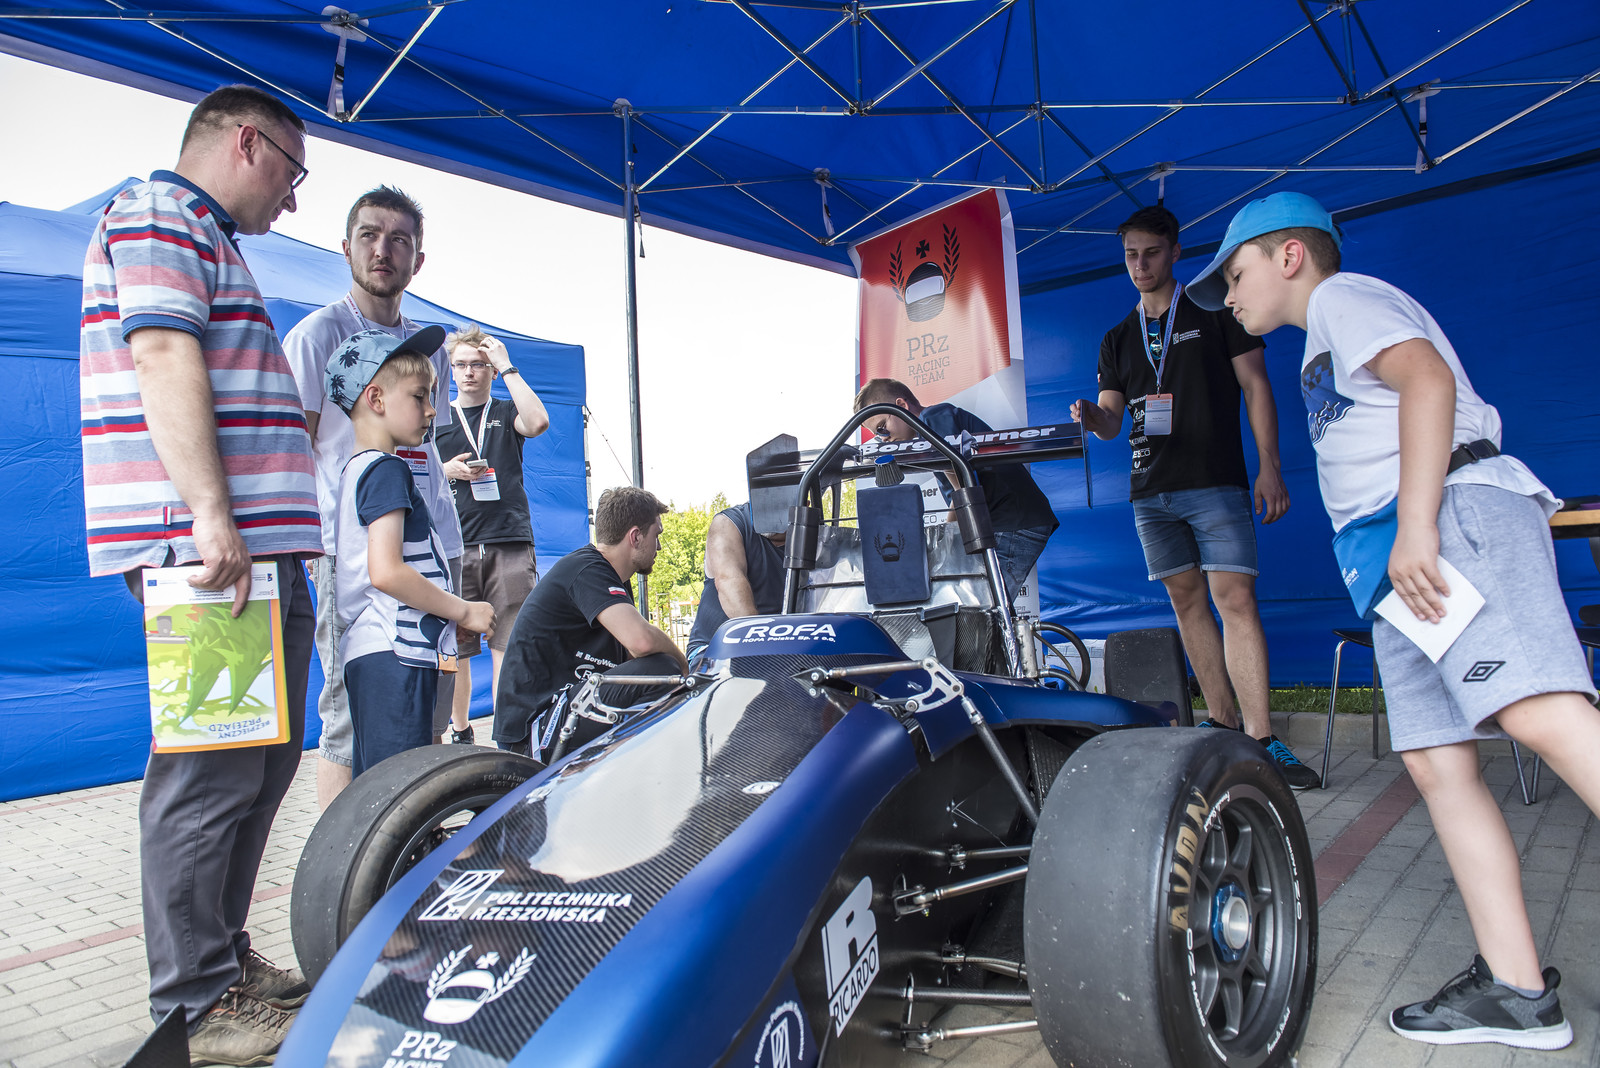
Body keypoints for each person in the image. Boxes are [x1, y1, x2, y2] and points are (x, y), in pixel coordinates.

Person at [1189, 189, 1600, 1049]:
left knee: (1543, 714)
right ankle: (1518, 991)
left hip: (1448, 519)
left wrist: (1418, 526)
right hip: (1392, 564)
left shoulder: (1343, 297)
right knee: (1436, 763)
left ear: (1289, 256)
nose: (1228, 296)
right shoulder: (1317, 345)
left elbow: (1427, 379)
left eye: (1235, 273)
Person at [79, 85, 318, 1063]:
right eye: (293, 174)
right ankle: (196, 999)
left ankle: (220, 960)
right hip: (210, 551)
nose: (293, 200)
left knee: (258, 765)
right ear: (247, 142)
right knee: (211, 773)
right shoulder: (159, 212)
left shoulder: (207, 235)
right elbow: (163, 355)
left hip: (254, 552)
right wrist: (212, 515)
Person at [1072, 205, 1318, 789]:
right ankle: (1223, 722)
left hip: (1215, 481)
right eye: (1131, 255)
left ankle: (1261, 738)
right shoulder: (1117, 338)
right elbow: (1112, 420)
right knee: (1187, 605)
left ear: (1175, 251)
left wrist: (1270, 467)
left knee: (1235, 600)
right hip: (1149, 491)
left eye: (1151, 253)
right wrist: (1090, 416)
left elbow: (1256, 386)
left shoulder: (1217, 311)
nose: (1140, 265)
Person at [282, 186, 464, 809]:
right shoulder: (318, 336)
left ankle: (411, 842)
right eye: (369, 235)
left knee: (426, 706)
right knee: (348, 717)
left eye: (399, 240)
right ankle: (341, 861)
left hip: (435, 543)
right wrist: (310, 546)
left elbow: (428, 448)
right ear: (346, 247)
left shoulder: (426, 343)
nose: (383, 250)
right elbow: (293, 450)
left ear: (418, 259)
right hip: (359, 554)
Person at [326, 328, 495, 777]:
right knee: (399, 790)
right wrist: (463, 610)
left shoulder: (359, 469)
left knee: (383, 787)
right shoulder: (386, 470)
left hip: (381, 654)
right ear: (376, 399)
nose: (432, 409)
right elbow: (386, 572)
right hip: (394, 652)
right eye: (419, 396)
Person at [494, 487, 689, 759]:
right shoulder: (587, 569)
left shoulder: (613, 578)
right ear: (635, 536)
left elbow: (632, 657)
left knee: (655, 673)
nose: (658, 547)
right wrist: (686, 671)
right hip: (535, 729)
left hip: (561, 711)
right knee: (664, 670)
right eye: (657, 535)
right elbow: (641, 642)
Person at [433, 325, 550, 743]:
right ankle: (461, 731)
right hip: (456, 544)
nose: (469, 372)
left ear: (491, 371)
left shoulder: (504, 410)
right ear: (450, 369)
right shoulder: (436, 418)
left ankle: (506, 735)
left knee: (507, 643)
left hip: (509, 543)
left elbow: (538, 422)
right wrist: (446, 470)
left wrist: (507, 364)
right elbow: (410, 467)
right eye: (461, 365)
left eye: (479, 365)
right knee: (458, 647)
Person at [852, 378, 1059, 603]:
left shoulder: (932, 419)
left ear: (901, 406)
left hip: (1013, 521)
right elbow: (959, 492)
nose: (884, 439)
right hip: (1010, 520)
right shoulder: (928, 435)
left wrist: (944, 544)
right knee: (987, 607)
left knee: (982, 606)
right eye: (878, 435)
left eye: (882, 428)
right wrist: (944, 541)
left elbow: (962, 488)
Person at [684, 501, 786, 663]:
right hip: (714, 649)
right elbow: (729, 581)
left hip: (786, 649)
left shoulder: (816, 538)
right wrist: (766, 652)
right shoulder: (727, 523)